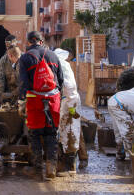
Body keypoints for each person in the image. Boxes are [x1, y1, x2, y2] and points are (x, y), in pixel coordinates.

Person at [19, 31, 64, 180]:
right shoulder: (53, 55)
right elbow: (61, 80)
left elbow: (24, 84)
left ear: (29, 42)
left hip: (34, 99)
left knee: (35, 134)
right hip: (53, 99)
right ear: (41, 41)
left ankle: (37, 169)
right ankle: (51, 167)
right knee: (51, 133)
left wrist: (21, 103)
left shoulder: (25, 58)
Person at [54, 48, 82, 177]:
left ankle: (69, 166)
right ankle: (70, 164)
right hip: (67, 101)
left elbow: (69, 87)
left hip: (70, 101)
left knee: (70, 132)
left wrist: (71, 107)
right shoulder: (62, 64)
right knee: (68, 131)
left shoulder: (62, 65)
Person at [0, 35, 19, 104]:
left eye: (10, 46)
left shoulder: (23, 58)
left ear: (16, 44)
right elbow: (1, 77)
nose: (8, 48)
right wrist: (1, 94)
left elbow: (24, 82)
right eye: (7, 46)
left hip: (20, 94)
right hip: (7, 94)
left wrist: (14, 93)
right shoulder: (3, 60)